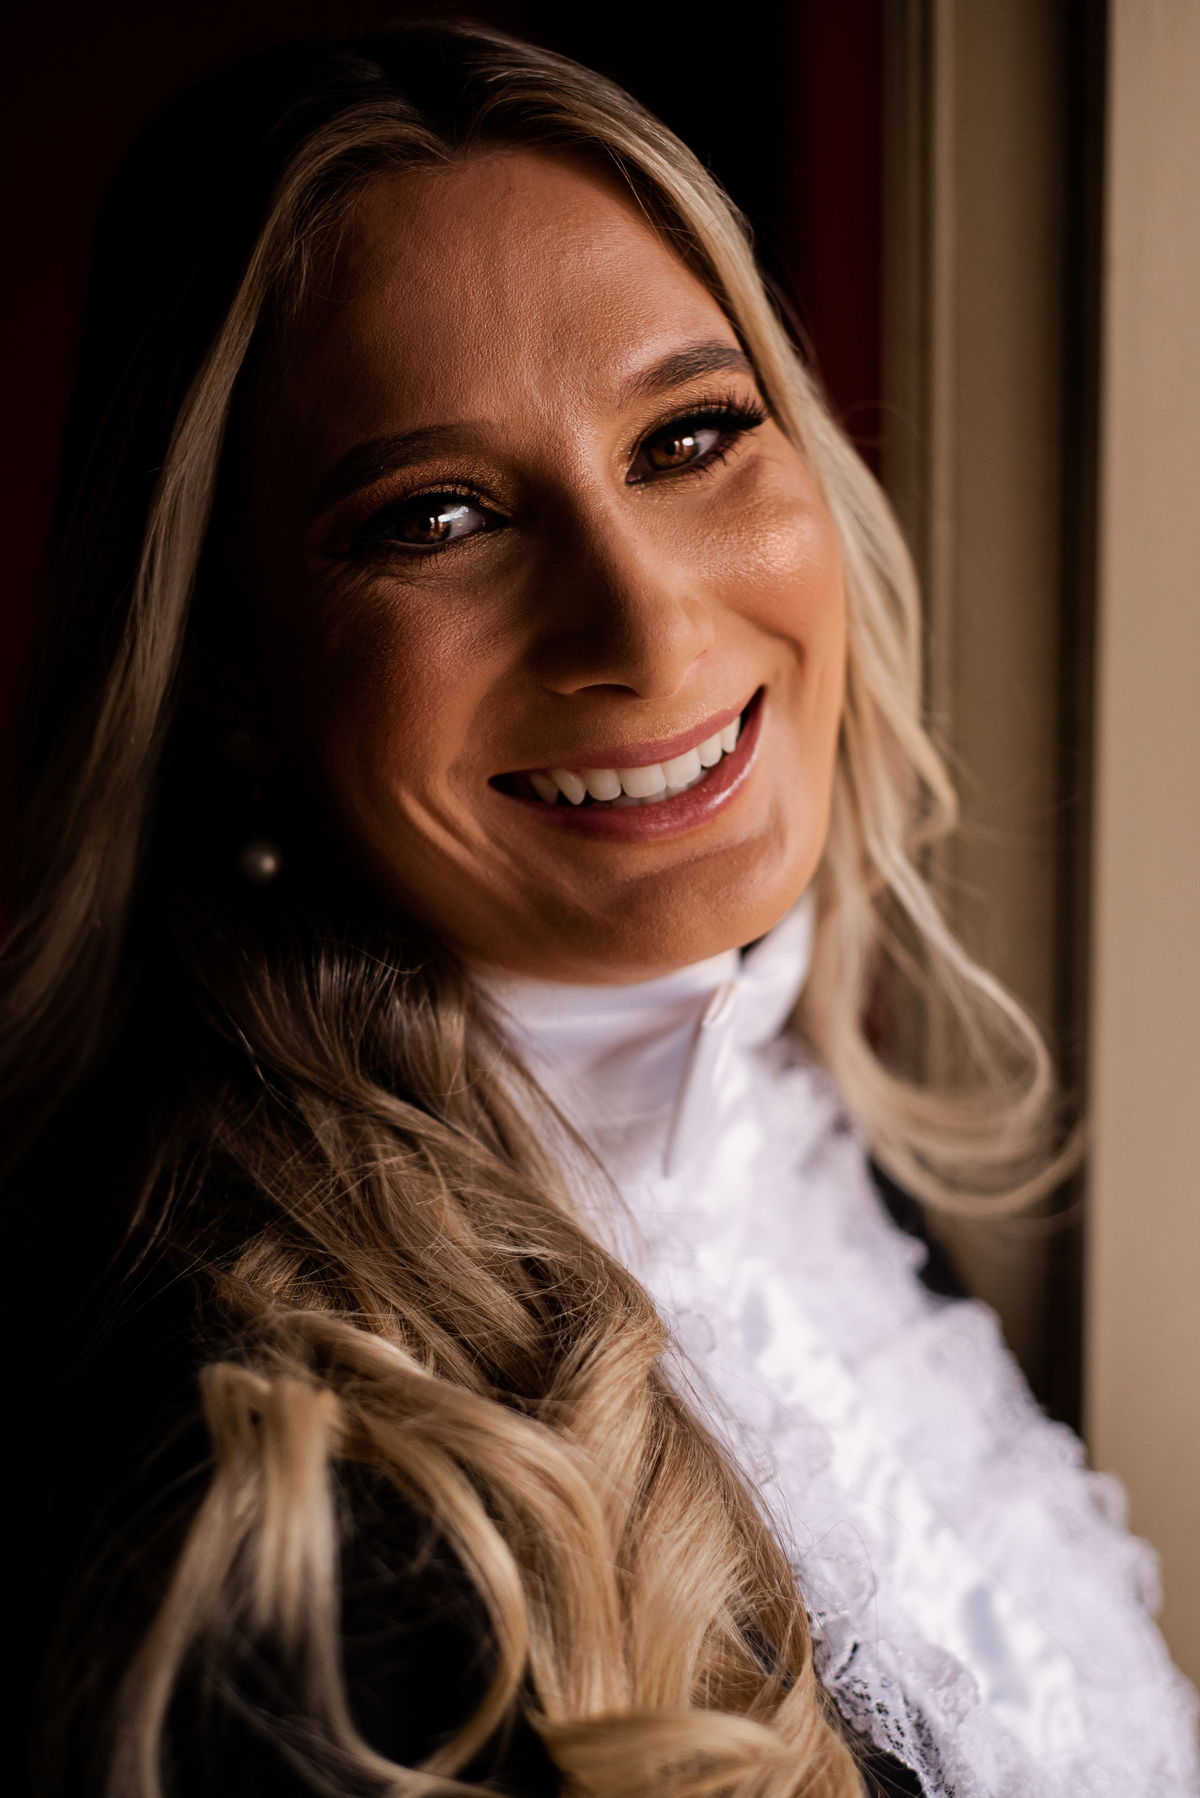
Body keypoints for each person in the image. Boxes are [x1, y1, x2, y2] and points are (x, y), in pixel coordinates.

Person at [3, 20, 1195, 1798]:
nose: (646, 628)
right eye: (439, 517)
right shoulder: (260, 1534)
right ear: (232, 677)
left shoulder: (799, 1163)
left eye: (692, 434)